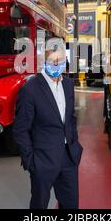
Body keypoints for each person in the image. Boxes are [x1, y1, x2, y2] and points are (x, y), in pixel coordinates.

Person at [13, 45, 83, 209]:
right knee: (39, 205)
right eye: (53, 61)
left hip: (69, 158)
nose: (57, 65)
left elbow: (70, 118)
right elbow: (20, 129)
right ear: (44, 62)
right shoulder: (30, 89)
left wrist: (75, 144)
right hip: (43, 160)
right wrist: (31, 161)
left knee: (71, 204)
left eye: (61, 61)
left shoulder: (68, 84)